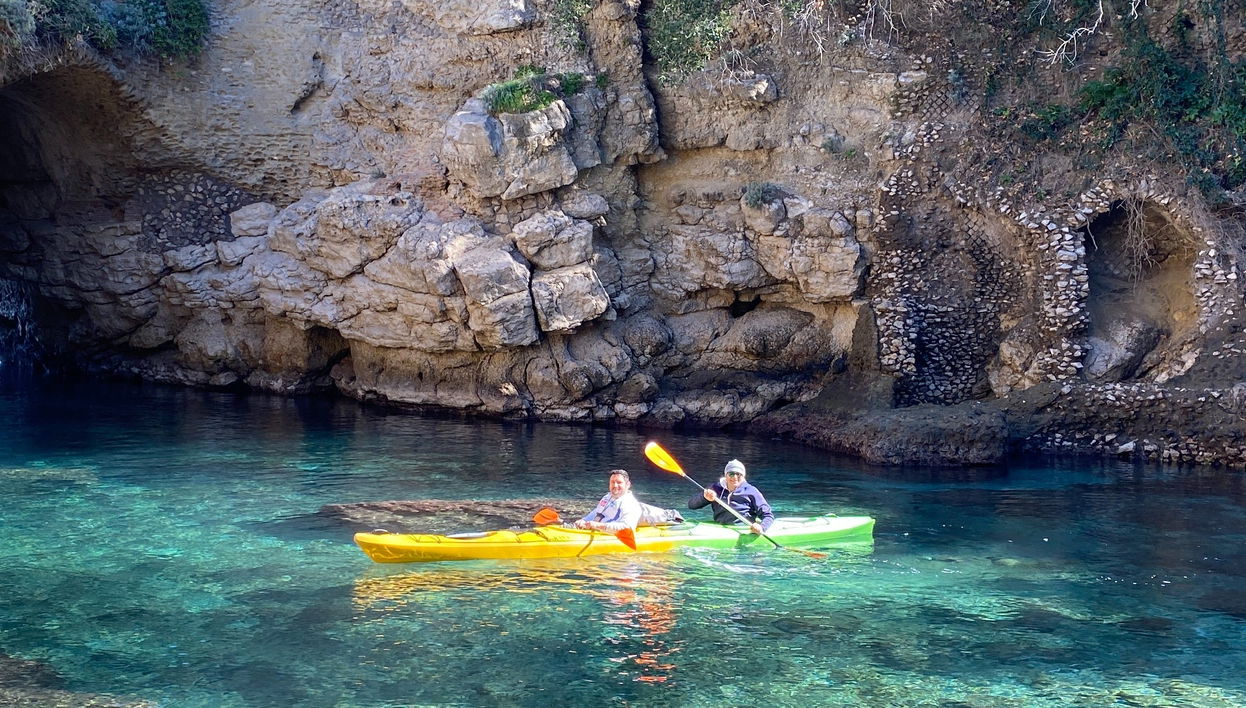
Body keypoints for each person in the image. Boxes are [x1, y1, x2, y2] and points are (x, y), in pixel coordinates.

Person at [688, 459, 774, 534]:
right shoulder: (715, 488)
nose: (735, 477)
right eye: (731, 474)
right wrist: (704, 497)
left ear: (743, 476)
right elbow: (691, 505)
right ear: (726, 475)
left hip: (743, 529)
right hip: (720, 528)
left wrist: (762, 527)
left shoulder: (751, 491)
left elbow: (768, 515)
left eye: (738, 474)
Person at [575, 469, 642, 532]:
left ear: (628, 484)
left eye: (619, 482)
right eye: (612, 482)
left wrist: (598, 525)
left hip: (609, 535)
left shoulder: (631, 504)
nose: (615, 485)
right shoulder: (607, 497)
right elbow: (598, 512)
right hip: (597, 531)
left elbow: (628, 527)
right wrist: (584, 520)